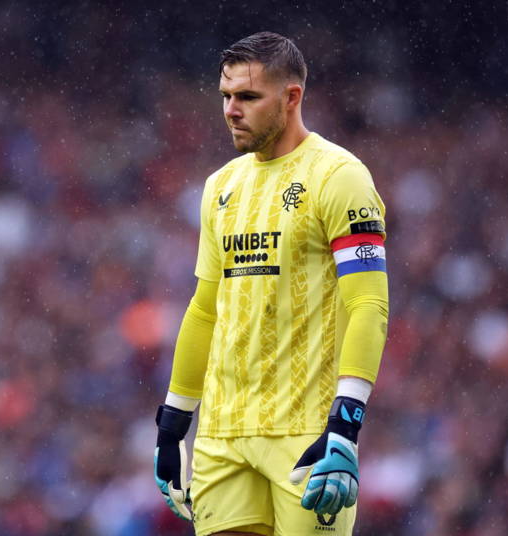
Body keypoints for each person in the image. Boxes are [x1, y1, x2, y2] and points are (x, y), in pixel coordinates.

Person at [154, 31, 389, 536]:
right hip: (223, 433)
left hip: (306, 434)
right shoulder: (221, 187)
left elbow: (368, 302)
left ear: (291, 97)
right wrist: (174, 421)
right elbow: (204, 309)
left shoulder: (340, 177)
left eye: (248, 97)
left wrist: (346, 424)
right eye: (226, 97)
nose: (231, 110)